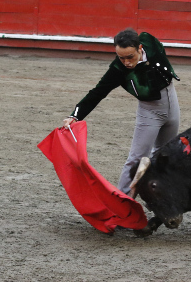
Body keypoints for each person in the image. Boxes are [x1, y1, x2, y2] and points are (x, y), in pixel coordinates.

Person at [62, 29, 180, 196]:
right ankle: (122, 202)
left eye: (129, 57)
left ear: (140, 48)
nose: (126, 62)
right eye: (121, 57)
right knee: (136, 158)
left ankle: (162, 198)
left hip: (172, 104)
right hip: (149, 112)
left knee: (167, 154)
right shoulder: (117, 70)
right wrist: (75, 115)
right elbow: (98, 92)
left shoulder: (150, 42)